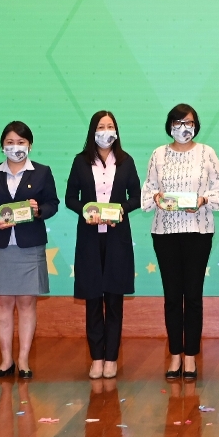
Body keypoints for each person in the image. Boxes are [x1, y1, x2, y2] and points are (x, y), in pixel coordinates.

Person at [140, 103, 219, 381]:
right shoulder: (158, 154)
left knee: (192, 295)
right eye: (177, 123)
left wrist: (202, 200)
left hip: (198, 231)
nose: (183, 128)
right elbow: (148, 191)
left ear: (196, 125)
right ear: (170, 126)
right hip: (164, 233)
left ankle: (190, 356)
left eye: (188, 122)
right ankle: (175, 355)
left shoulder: (207, 153)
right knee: (171, 296)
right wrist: (156, 198)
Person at [0, 121, 60, 379]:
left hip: (29, 246)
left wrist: (39, 210)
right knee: (2, 302)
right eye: (10, 142)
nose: (16, 147)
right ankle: (5, 360)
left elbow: (53, 203)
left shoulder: (42, 172)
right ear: (2, 146)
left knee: (26, 302)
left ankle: (23, 360)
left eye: (21, 142)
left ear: (29, 145)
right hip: (0, 246)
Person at [66, 110, 143, 379]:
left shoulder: (126, 161)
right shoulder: (80, 161)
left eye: (110, 126)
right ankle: (96, 358)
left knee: (114, 300)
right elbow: (70, 198)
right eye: (101, 126)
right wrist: (86, 210)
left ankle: (111, 358)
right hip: (89, 238)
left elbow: (137, 196)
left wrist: (120, 209)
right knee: (92, 299)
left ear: (116, 131)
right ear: (93, 131)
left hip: (117, 238)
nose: (106, 131)